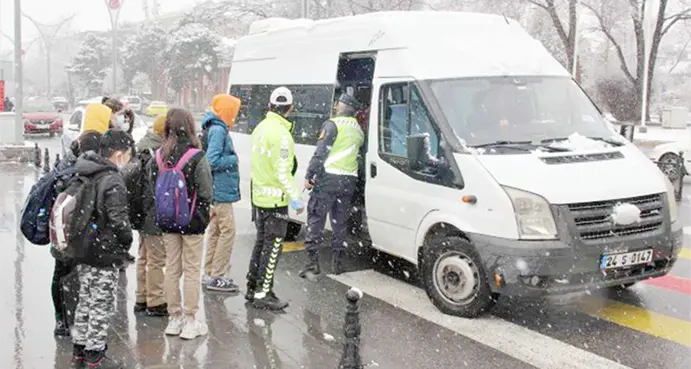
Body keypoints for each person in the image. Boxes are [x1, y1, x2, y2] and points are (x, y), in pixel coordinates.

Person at [71, 129, 134, 369]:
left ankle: (79, 350)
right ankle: (95, 357)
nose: (128, 158)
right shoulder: (112, 178)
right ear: (118, 154)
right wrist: (125, 240)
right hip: (104, 250)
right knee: (101, 304)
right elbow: (119, 220)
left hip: (84, 246)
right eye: (127, 153)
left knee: (85, 300)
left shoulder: (86, 169)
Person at [151, 108, 213, 340]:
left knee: (172, 269)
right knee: (191, 270)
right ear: (189, 126)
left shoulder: (158, 156)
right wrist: (202, 215)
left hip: (167, 221)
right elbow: (206, 191)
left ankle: (173, 318)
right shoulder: (196, 156)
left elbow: (153, 189)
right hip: (192, 221)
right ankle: (190, 320)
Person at [247, 86, 304, 310]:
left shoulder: (260, 128)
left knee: (261, 244)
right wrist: (295, 198)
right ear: (289, 109)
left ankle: (252, 288)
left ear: (271, 106)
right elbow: (282, 172)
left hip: (260, 197)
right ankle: (263, 294)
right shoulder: (282, 135)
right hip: (276, 200)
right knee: (273, 248)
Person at [300, 93, 365, 278]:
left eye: (338, 104)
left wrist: (310, 175)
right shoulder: (358, 130)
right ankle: (337, 264)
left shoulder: (332, 124)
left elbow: (321, 152)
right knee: (340, 223)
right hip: (348, 182)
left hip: (328, 180)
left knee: (316, 219)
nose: (336, 106)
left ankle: (312, 264)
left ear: (341, 106)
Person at [51, 131, 103, 337]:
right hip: (78, 234)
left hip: (59, 231)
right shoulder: (88, 171)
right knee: (78, 278)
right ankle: (75, 321)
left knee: (60, 275)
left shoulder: (65, 165)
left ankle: (62, 320)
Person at [201, 94, 242, 292]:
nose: (236, 115)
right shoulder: (218, 130)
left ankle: (209, 272)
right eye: (234, 111)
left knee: (216, 232)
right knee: (228, 232)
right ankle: (217, 275)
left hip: (217, 190)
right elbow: (211, 162)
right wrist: (233, 160)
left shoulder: (215, 127)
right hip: (221, 191)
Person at [131, 114, 167, 316]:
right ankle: (156, 301)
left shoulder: (141, 147)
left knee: (144, 256)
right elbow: (156, 187)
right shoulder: (157, 153)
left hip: (141, 211)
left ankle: (141, 297)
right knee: (156, 259)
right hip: (153, 211)